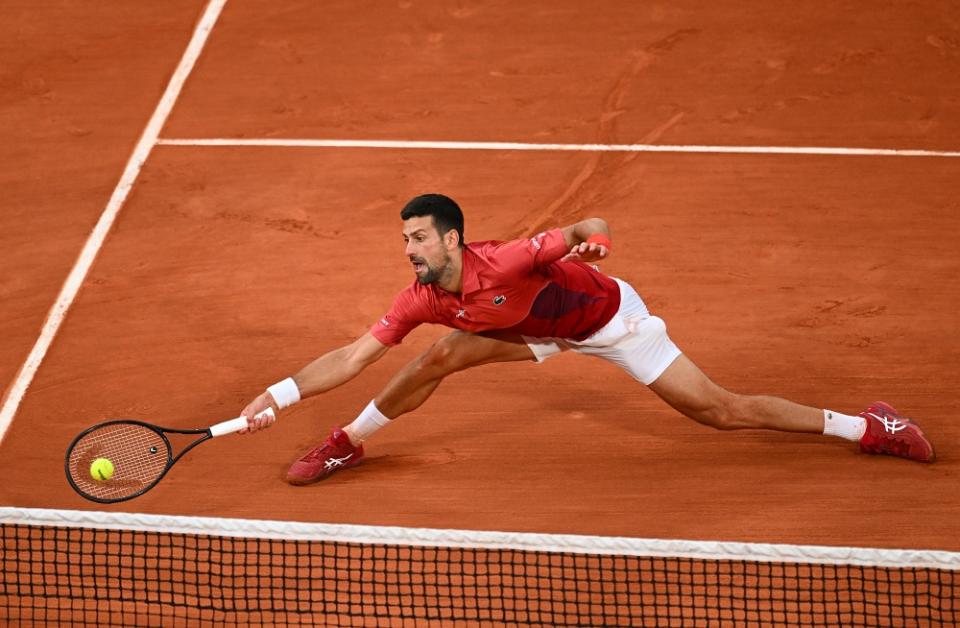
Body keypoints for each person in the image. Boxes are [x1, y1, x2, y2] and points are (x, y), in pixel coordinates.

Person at [240, 194, 935, 484]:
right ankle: (347, 441)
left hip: (607, 322)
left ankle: (866, 426)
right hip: (537, 331)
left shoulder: (508, 258)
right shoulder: (420, 296)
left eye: (418, 238)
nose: (409, 249)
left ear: (451, 237)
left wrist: (594, 242)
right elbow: (352, 355)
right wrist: (276, 392)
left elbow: (581, 227)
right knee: (440, 354)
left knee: (719, 411)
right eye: (404, 240)